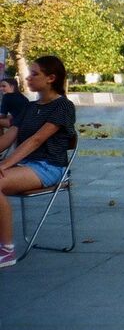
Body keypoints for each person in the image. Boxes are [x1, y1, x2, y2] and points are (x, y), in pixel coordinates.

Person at [0, 55, 77, 268]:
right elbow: (9, 138)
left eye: (35, 74)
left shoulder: (63, 107)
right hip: (24, 166)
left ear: (51, 78)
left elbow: (36, 140)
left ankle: (6, 251)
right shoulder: (30, 108)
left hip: (49, 167)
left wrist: (4, 165)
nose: (28, 77)